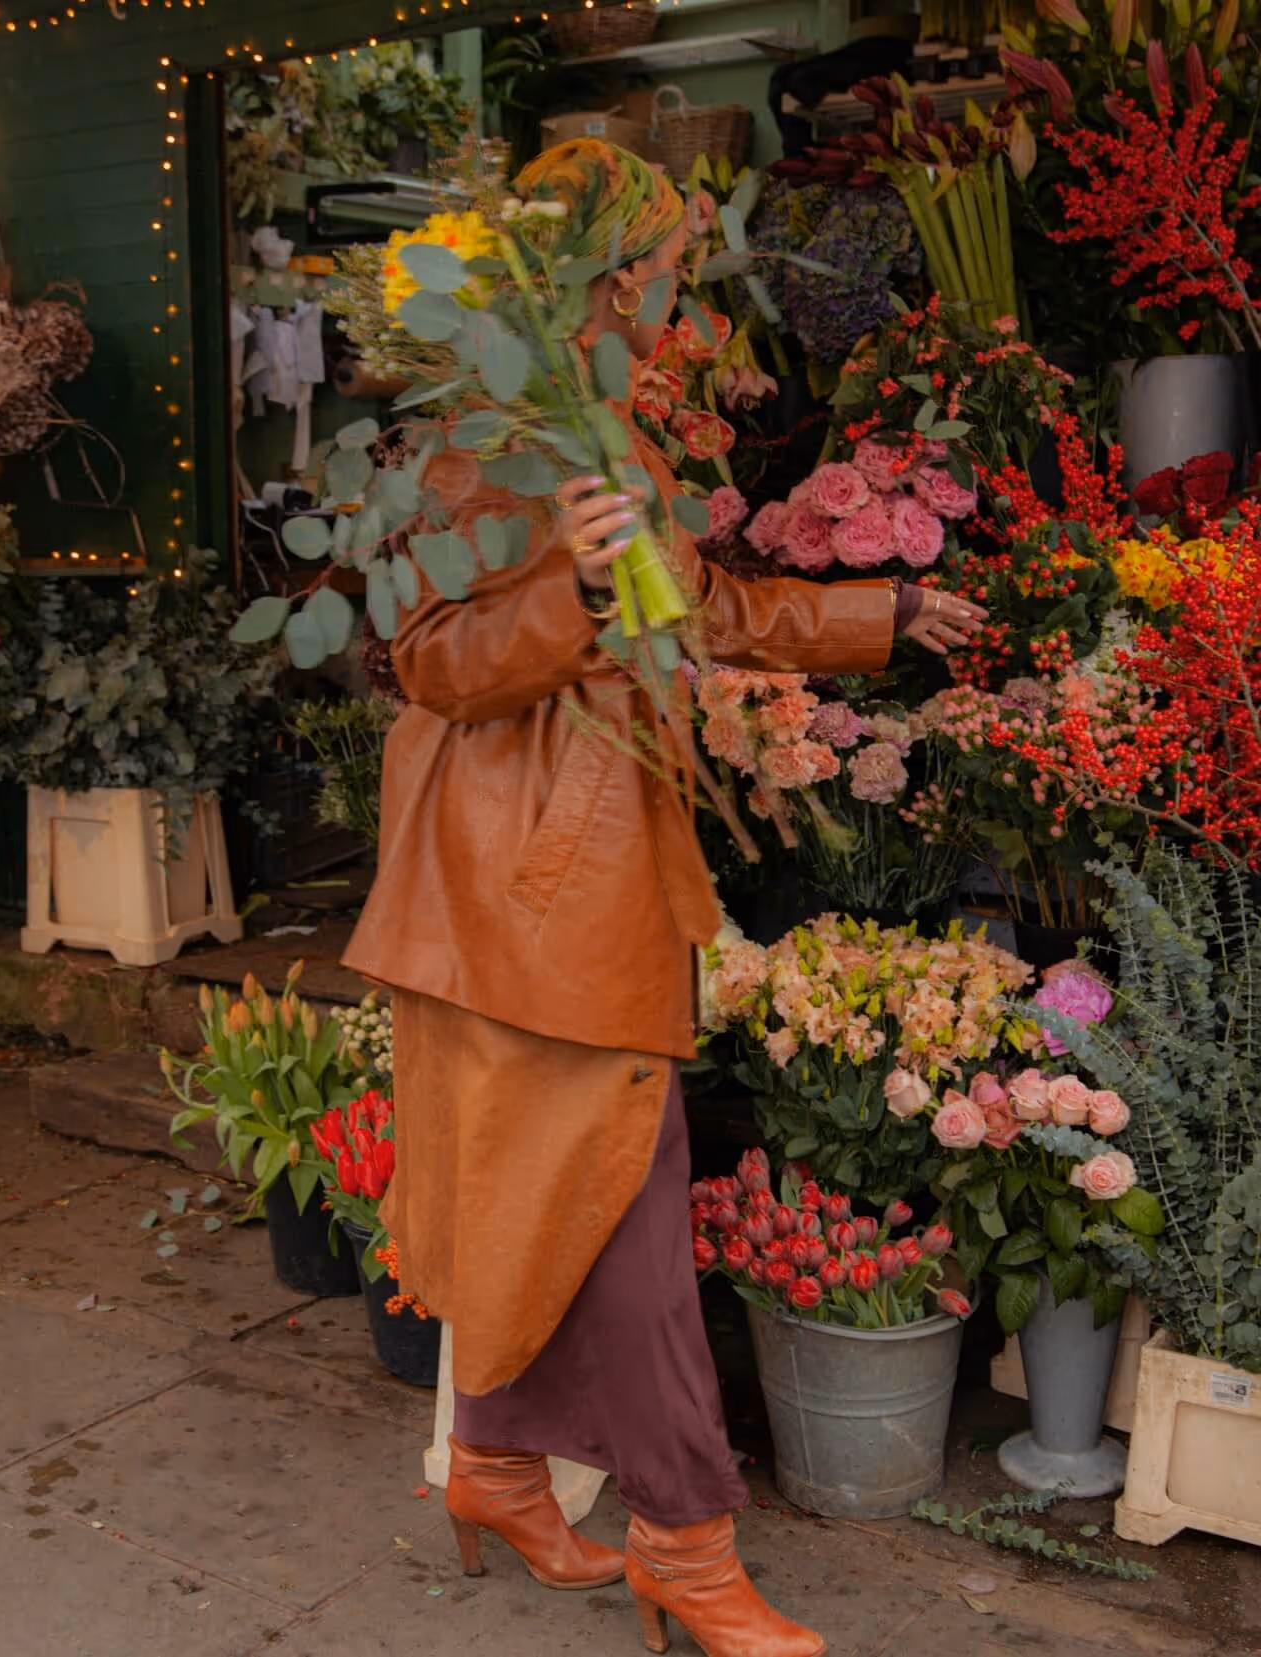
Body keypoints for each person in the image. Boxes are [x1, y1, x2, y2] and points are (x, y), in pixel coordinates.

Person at [344, 139, 985, 1657]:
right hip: (524, 904)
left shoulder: (595, 426)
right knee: (625, 1228)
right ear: (591, 279)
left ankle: (498, 1466)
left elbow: (685, 605)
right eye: (656, 279)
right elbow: (432, 658)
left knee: (574, 1207)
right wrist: (566, 577)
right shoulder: (490, 436)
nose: (676, 309)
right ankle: (688, 1554)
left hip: (581, 890)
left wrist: (876, 614)